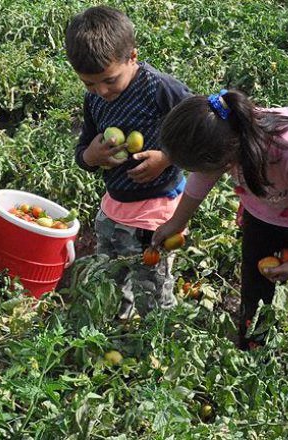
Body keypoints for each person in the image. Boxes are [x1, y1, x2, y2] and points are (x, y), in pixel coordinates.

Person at [152, 88, 288, 410]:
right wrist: (176, 224)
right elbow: (200, 179)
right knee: (254, 303)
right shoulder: (225, 138)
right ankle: (253, 380)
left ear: (227, 156)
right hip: (267, 213)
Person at [65, 5, 192, 320]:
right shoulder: (94, 98)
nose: (101, 91)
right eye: (89, 84)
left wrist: (167, 157)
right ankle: (118, 326)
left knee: (151, 285)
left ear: (132, 57)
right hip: (114, 206)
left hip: (155, 212)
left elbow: (200, 130)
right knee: (110, 275)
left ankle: (156, 344)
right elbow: (84, 149)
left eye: (109, 80)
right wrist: (91, 157)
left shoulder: (159, 89)